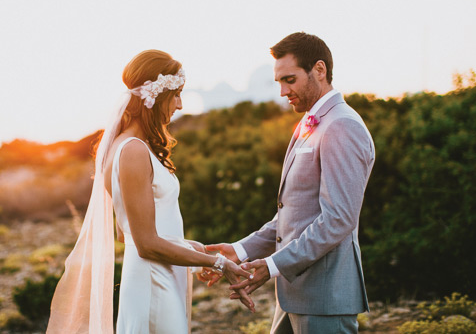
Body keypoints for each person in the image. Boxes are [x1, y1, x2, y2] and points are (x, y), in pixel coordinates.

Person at [47, 49, 253, 334]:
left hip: (159, 274)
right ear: (154, 96)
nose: (180, 105)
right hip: (152, 280)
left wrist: (194, 249)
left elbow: (129, 233)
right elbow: (145, 243)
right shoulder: (132, 151)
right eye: (177, 94)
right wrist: (217, 263)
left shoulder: (125, 147)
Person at [207, 32, 375, 333]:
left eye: (290, 80)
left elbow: (338, 220)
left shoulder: (342, 125)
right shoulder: (309, 124)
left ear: (319, 70)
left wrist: (272, 266)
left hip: (325, 298)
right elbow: (293, 213)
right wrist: (241, 250)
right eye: (279, 82)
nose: (283, 91)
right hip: (295, 296)